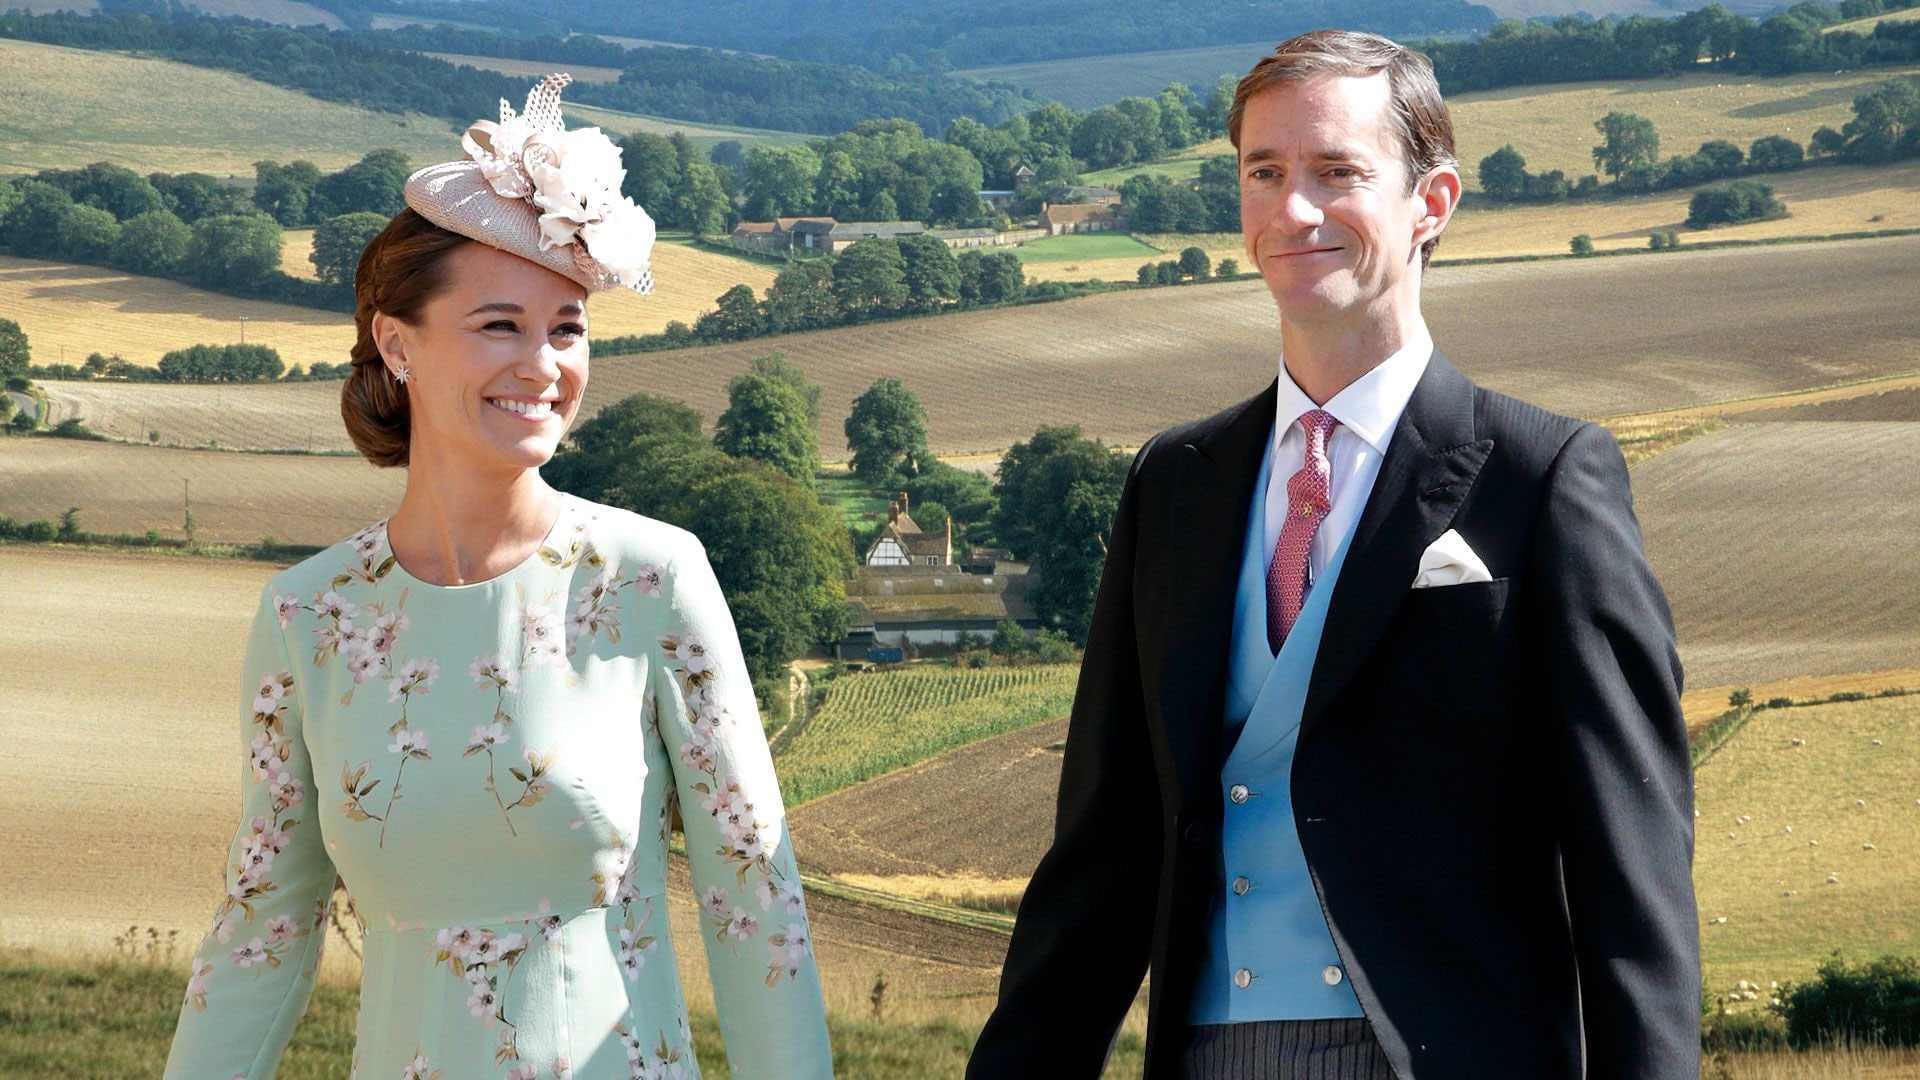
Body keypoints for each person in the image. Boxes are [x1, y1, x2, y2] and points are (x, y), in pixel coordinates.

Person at [968, 30, 1698, 1079]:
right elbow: (1103, 849)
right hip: (1210, 1056)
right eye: (1264, 172)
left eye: (1337, 172)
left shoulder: (1544, 481)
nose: (1293, 211)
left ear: (1432, 203)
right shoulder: (1173, 484)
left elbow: (1633, 871)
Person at [163, 75, 832, 1079]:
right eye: (498, 325)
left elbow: (756, 904)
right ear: (398, 343)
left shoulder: (650, 579)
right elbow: (259, 933)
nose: (542, 362)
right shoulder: (311, 617)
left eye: (566, 327)